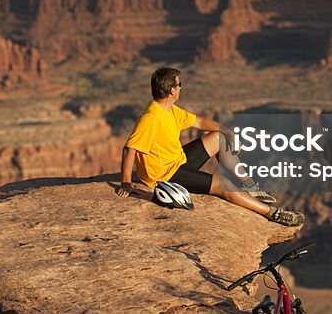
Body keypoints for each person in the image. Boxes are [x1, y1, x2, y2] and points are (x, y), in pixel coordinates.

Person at [116, 66, 304, 227]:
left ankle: (250, 187)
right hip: (163, 175)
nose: (181, 88)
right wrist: (126, 182)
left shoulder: (169, 109)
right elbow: (129, 148)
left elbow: (199, 122)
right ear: (172, 91)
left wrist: (228, 132)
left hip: (177, 161)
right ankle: (273, 213)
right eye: (179, 84)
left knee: (217, 138)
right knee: (222, 184)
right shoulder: (150, 117)